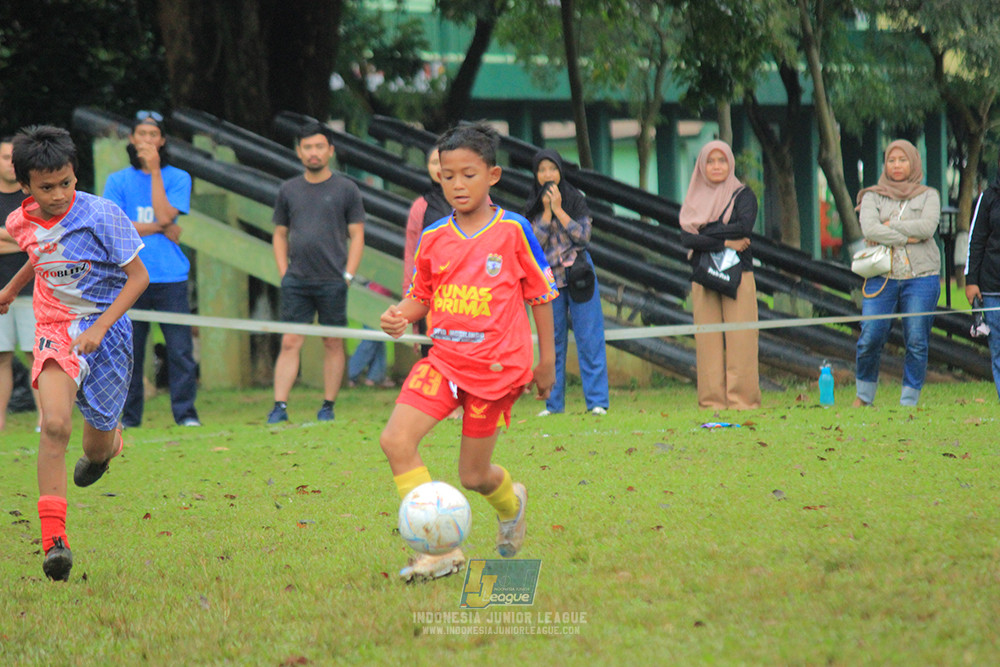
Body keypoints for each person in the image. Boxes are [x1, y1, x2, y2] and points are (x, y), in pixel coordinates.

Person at [379, 123, 557, 582]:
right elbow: (422, 294)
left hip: (497, 370)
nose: (457, 184)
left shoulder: (513, 231)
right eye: (448, 175)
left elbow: (540, 297)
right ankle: (439, 549)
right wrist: (400, 314)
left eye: (469, 175)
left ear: (493, 175)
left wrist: (547, 364)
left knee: (474, 476)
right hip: (443, 361)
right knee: (396, 441)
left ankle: (511, 502)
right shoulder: (434, 236)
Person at [0, 125, 148, 581]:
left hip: (108, 330)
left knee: (94, 444)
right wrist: (9, 290)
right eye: (46, 187)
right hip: (55, 327)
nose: (59, 194)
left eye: (66, 182)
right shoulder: (18, 222)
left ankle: (108, 447)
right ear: (24, 185)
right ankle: (54, 542)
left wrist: (102, 327)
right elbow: (39, 254)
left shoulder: (102, 215)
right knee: (56, 424)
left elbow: (139, 277)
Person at [103, 111, 201, 428]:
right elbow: (116, 226)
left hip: (171, 277)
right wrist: (160, 228)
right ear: (132, 139)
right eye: (141, 134)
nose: (146, 140)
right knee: (129, 351)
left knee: (181, 351)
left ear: (161, 140)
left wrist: (155, 171)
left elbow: (164, 212)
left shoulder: (178, 177)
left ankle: (185, 414)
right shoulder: (117, 180)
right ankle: (130, 418)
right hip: (130, 277)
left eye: (152, 134)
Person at [267, 123, 365, 424]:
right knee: (290, 341)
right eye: (307, 147)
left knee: (333, 342)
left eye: (319, 146)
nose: (313, 152)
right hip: (297, 280)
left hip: (334, 280)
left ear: (330, 150)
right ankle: (279, 407)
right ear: (299, 152)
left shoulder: (346, 189)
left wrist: (347, 276)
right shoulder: (289, 189)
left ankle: (327, 406)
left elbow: (358, 235)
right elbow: (279, 234)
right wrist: (285, 272)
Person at [854, 139, 940, 407]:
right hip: (882, 277)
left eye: (902, 160)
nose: (897, 165)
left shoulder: (929, 195)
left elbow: (927, 228)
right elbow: (869, 228)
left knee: (916, 339)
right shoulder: (872, 195)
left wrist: (890, 227)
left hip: (921, 277)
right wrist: (906, 236)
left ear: (913, 162)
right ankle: (864, 396)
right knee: (870, 336)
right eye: (891, 160)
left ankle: (909, 400)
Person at [524, 148, 609, 416]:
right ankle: (553, 404)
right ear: (536, 174)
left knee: (589, 337)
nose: (547, 175)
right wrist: (547, 213)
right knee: (553, 341)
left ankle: (597, 402)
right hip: (550, 281)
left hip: (579, 276)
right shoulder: (531, 206)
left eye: (552, 168)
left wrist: (559, 210)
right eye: (542, 169)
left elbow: (583, 237)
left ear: (561, 171)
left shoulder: (575, 199)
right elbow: (532, 246)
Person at [680, 140, 761, 410]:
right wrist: (725, 242)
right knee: (708, 344)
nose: (716, 166)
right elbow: (686, 239)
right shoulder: (693, 198)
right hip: (703, 276)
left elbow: (744, 227)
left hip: (740, 276)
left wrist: (706, 232)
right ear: (701, 166)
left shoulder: (743, 195)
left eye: (722, 160)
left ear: (730, 164)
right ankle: (711, 403)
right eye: (711, 161)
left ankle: (743, 403)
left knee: (742, 341)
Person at [0, 135, 39, 430]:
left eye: (15, 159)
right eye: (4, 158)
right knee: (2, 357)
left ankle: (45, 420)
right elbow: (30, 242)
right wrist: (23, 241)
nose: (10, 165)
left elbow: (41, 241)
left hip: (32, 290)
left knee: (36, 355)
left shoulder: (33, 198)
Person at [403, 146, 450, 357]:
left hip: (470, 297)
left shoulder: (480, 203)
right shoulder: (420, 207)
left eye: (444, 161)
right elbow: (411, 258)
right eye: (434, 162)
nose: (440, 168)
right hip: (430, 297)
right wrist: (412, 319)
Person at [965, 158, 1000, 400]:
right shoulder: (988, 197)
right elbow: (975, 241)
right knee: (998, 349)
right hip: (992, 288)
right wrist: (971, 280)